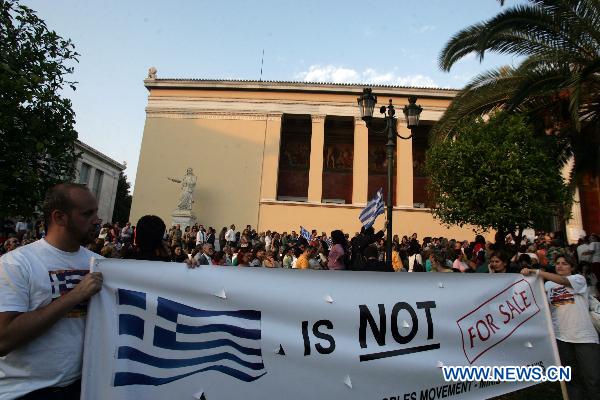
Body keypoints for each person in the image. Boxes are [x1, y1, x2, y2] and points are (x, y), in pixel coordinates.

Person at [0, 183, 103, 399]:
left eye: (96, 212)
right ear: (59, 217)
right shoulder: (16, 264)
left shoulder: (100, 264)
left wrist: (188, 273)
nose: (97, 220)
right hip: (27, 391)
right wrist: (74, 296)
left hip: (83, 387)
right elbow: (4, 339)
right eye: (87, 214)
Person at [522, 254, 600, 400]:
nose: (560, 266)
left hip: (584, 338)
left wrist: (537, 272)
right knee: (571, 379)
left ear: (572, 267)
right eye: (557, 263)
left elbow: (563, 281)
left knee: (592, 379)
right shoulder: (547, 285)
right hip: (561, 337)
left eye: (564, 263)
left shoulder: (578, 279)